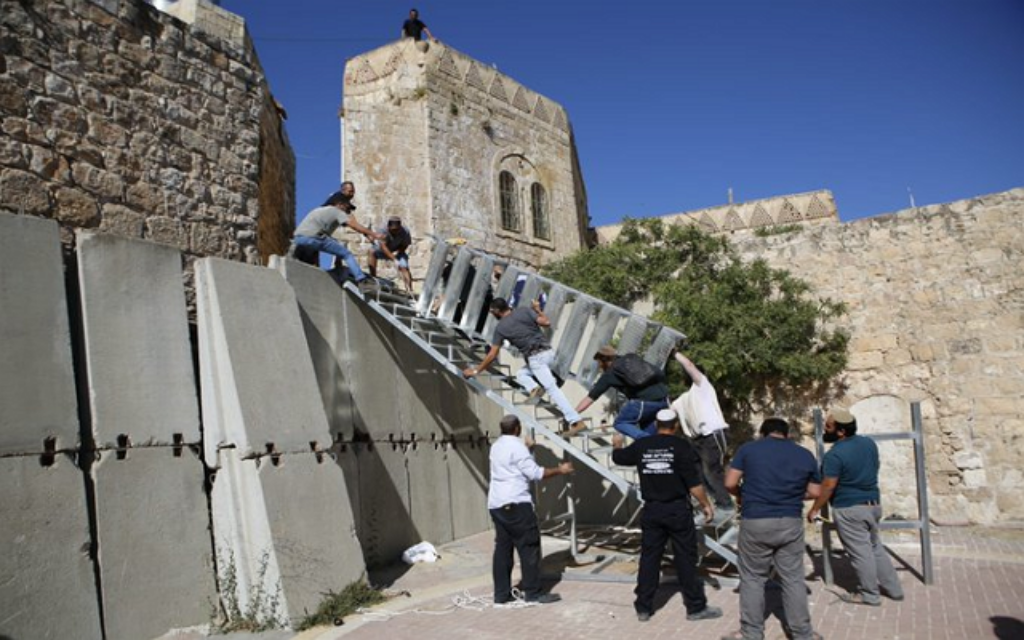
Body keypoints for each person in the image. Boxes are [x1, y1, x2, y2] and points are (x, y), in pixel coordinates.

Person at [612, 409, 722, 623]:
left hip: (652, 510)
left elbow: (620, 458)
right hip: (677, 510)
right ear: (676, 425)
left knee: (649, 558)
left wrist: (617, 444)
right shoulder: (681, 446)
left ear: (656, 423)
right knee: (685, 559)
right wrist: (706, 505)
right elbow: (693, 483)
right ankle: (695, 607)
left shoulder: (642, 445)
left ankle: (643, 607)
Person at [722, 418, 822, 640]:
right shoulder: (804, 454)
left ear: (763, 433)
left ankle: (751, 633)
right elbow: (815, 492)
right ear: (787, 434)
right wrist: (792, 495)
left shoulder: (748, 450)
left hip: (756, 519)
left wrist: (741, 495)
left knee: (753, 578)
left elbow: (730, 482)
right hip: (790, 521)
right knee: (793, 578)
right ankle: (803, 633)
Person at [807, 408, 904, 606]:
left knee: (860, 552)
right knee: (875, 547)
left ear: (841, 431)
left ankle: (869, 594)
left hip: (850, 508)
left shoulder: (835, 455)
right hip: (873, 504)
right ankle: (894, 589)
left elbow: (828, 486)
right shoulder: (868, 443)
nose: (825, 429)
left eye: (828, 426)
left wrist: (815, 508)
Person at [463, 298, 584, 432]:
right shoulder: (525, 311)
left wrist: (475, 371)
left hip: (536, 358)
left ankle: (575, 421)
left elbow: (492, 355)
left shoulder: (501, 328)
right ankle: (534, 388)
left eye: (492, 313)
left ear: (496, 311)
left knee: (552, 390)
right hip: (549, 353)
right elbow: (546, 322)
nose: (492, 315)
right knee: (522, 374)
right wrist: (537, 310)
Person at [488, 414, 572, 604]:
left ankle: (501, 595)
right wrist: (561, 470)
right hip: (517, 504)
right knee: (529, 548)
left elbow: (513, 464)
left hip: (497, 504)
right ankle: (533, 593)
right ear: (517, 428)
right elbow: (535, 473)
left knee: (503, 549)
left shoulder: (496, 446)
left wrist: (528, 449)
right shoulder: (517, 447)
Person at [671, 350, 735, 520]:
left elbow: (689, 366)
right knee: (698, 473)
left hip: (712, 434)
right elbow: (668, 412)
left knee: (711, 470)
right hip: (696, 440)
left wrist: (675, 354)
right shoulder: (682, 399)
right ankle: (713, 503)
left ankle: (726, 505)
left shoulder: (702, 386)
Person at [292, 182, 383, 293]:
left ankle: (329, 267)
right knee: (346, 253)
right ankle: (362, 281)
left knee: (332, 244)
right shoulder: (337, 211)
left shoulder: (320, 210)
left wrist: (366, 234)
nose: (347, 211)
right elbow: (355, 226)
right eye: (347, 208)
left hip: (299, 238)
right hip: (314, 237)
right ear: (340, 204)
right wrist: (374, 234)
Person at [573, 346, 670, 441]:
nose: (599, 366)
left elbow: (590, 398)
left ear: (604, 360)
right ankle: (652, 446)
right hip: (664, 400)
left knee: (620, 423)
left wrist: (572, 413)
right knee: (648, 432)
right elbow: (657, 372)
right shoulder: (631, 359)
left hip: (644, 403)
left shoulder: (609, 374)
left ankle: (644, 440)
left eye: (599, 362)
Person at [368, 216, 414, 293]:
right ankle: (373, 279)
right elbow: (383, 247)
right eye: (393, 230)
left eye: (397, 230)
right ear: (388, 227)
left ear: (400, 227)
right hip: (383, 250)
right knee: (372, 252)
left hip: (397, 250)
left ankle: (409, 290)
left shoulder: (405, 232)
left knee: (404, 266)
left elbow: (405, 244)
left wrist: (399, 253)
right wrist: (394, 259)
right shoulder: (383, 230)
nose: (394, 232)